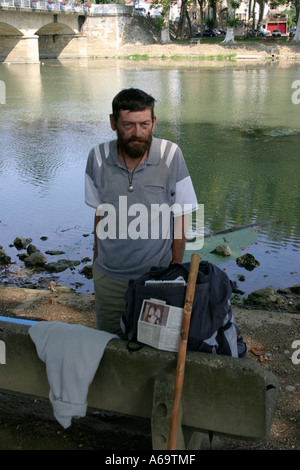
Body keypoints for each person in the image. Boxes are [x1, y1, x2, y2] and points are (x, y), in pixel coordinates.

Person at [85, 88, 197, 337]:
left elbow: (181, 217)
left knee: (152, 345)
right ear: (113, 122)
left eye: (144, 124)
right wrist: (96, 261)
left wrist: (174, 270)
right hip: (109, 278)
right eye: (128, 125)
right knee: (108, 345)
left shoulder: (171, 155)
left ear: (154, 122)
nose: (138, 133)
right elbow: (99, 214)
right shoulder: (98, 158)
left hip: (156, 278)